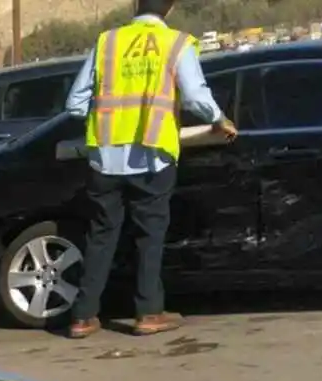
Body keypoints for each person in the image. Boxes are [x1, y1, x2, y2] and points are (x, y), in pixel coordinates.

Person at [61, 0, 238, 338]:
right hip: (151, 155)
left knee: (101, 236)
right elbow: (195, 96)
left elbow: (75, 105)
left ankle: (83, 317)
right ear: (168, 9)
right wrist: (220, 119)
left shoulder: (107, 42)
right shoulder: (176, 43)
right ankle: (148, 312)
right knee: (149, 235)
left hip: (105, 156)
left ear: (136, 6)